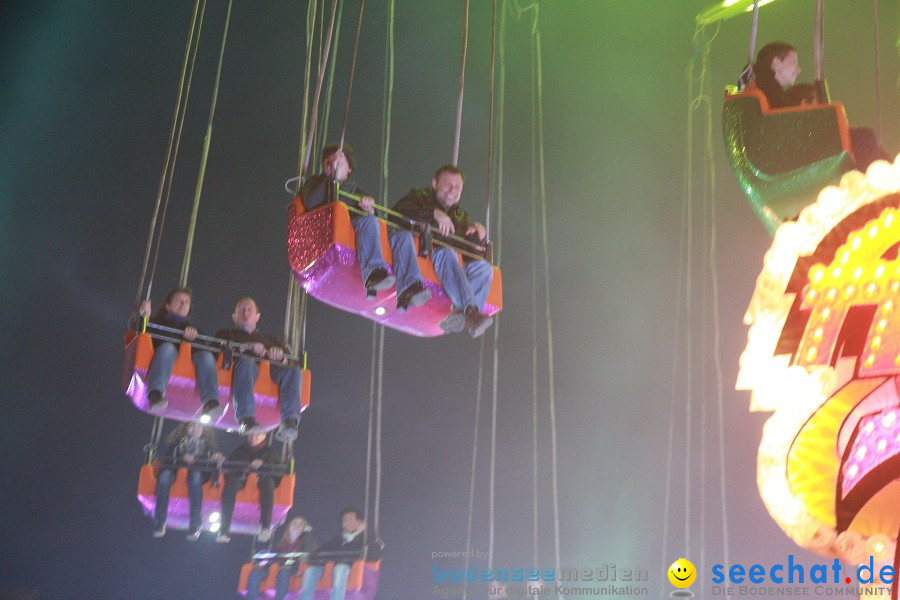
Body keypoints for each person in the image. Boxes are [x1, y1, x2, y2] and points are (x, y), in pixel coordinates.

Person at [300, 143, 431, 310]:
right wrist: (332, 179)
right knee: (368, 221)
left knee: (400, 234)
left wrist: (369, 209)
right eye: (329, 163)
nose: (333, 165)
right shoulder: (316, 183)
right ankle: (373, 273)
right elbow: (310, 202)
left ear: (349, 169)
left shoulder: (357, 190)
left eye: (338, 162)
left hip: (358, 234)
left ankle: (409, 286)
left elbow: (378, 223)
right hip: (329, 230)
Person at [752, 41, 889, 171]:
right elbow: (786, 118)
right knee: (865, 136)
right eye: (794, 62)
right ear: (777, 62)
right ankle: (873, 181)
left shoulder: (763, 86)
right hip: (800, 146)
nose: (798, 69)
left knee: (869, 144)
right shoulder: (769, 88)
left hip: (792, 145)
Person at [391, 165, 494, 337]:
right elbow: (398, 213)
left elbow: (467, 254)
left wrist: (477, 236)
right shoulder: (417, 196)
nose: (452, 190)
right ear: (434, 184)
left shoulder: (460, 216)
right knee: (446, 253)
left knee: (484, 268)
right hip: (424, 255)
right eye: (447, 184)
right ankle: (470, 312)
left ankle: (463, 312)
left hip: (450, 268)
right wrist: (433, 213)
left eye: (458, 187)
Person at [214, 297, 302, 440]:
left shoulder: (271, 340)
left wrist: (280, 357)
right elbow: (216, 350)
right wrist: (246, 347)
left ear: (257, 316)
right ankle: (246, 417)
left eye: (249, 310)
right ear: (234, 317)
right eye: (241, 310)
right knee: (247, 363)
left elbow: (293, 362)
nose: (245, 313)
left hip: (270, 372)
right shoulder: (225, 334)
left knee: (293, 372)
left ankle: (289, 421)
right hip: (241, 370)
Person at [138, 287, 222, 418]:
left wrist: (191, 341)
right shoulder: (157, 323)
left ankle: (211, 401)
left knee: (206, 356)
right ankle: (155, 393)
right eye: (178, 301)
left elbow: (209, 352)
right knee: (168, 348)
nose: (183, 304)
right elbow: (143, 334)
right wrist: (145, 318)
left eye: (186, 302)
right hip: (163, 358)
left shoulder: (195, 330)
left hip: (189, 366)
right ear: (168, 306)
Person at [152, 421, 224, 540]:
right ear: (186, 428)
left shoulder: (208, 448)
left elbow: (210, 466)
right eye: (192, 425)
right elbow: (169, 460)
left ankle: (195, 525)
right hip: (174, 470)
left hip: (196, 473)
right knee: (164, 478)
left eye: (198, 426)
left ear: (203, 430)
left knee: (195, 478)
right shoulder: (176, 443)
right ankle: (160, 522)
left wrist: (216, 461)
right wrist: (182, 458)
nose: (195, 428)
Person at [298, 507, 383, 600]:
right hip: (331, 566)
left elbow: (376, 555)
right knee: (311, 570)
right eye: (345, 520)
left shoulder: (364, 538)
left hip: (350, 568)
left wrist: (364, 532)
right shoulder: (337, 540)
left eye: (351, 519)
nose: (348, 522)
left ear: (358, 522)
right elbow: (320, 553)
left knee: (340, 568)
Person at [216, 432, 286, 544]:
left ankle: (265, 527)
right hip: (242, 479)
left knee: (268, 483)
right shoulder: (240, 450)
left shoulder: (269, 452)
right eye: (250, 435)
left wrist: (262, 466)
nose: (253, 437)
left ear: (263, 436)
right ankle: (224, 529)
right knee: (231, 483)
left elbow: (279, 471)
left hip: (262, 481)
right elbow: (229, 468)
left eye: (257, 435)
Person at [245, 516, 318, 600]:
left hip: (292, 571)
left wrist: (307, 534)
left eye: (301, 524)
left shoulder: (306, 542)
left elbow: (310, 553)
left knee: (284, 571)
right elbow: (270, 555)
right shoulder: (280, 543)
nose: (297, 526)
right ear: (289, 527)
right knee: (256, 573)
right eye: (294, 523)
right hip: (274, 569)